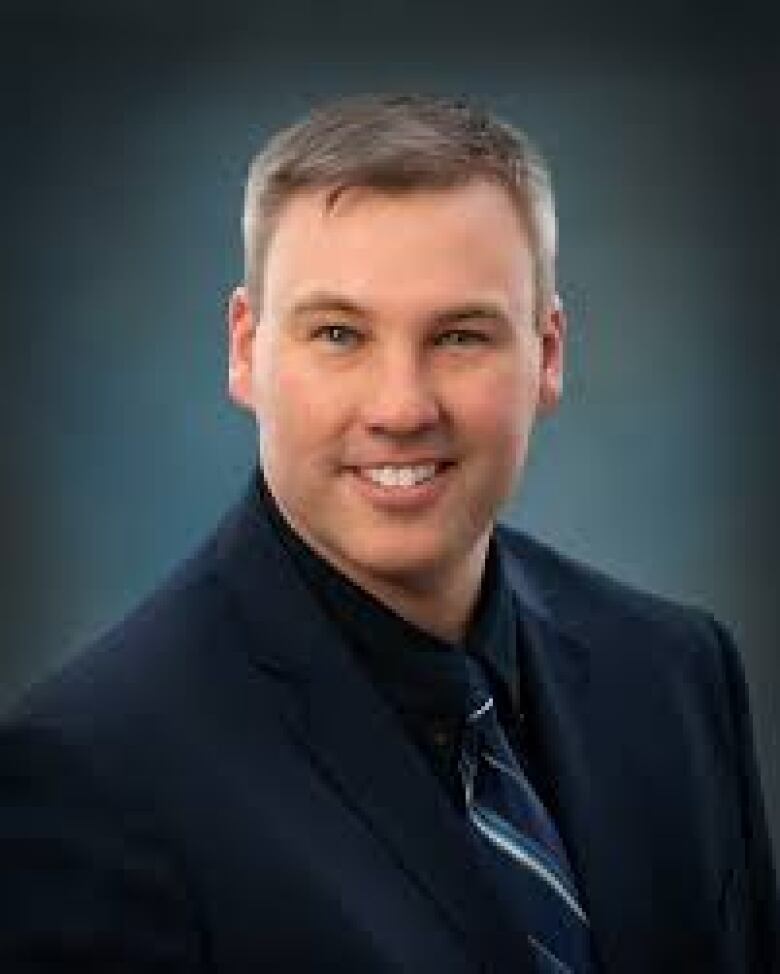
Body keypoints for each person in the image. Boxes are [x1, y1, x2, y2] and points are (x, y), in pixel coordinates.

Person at [0, 94, 776, 973]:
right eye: (339, 334)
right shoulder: (93, 777)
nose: (402, 407)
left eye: (459, 335)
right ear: (245, 350)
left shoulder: (677, 674)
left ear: (548, 354)